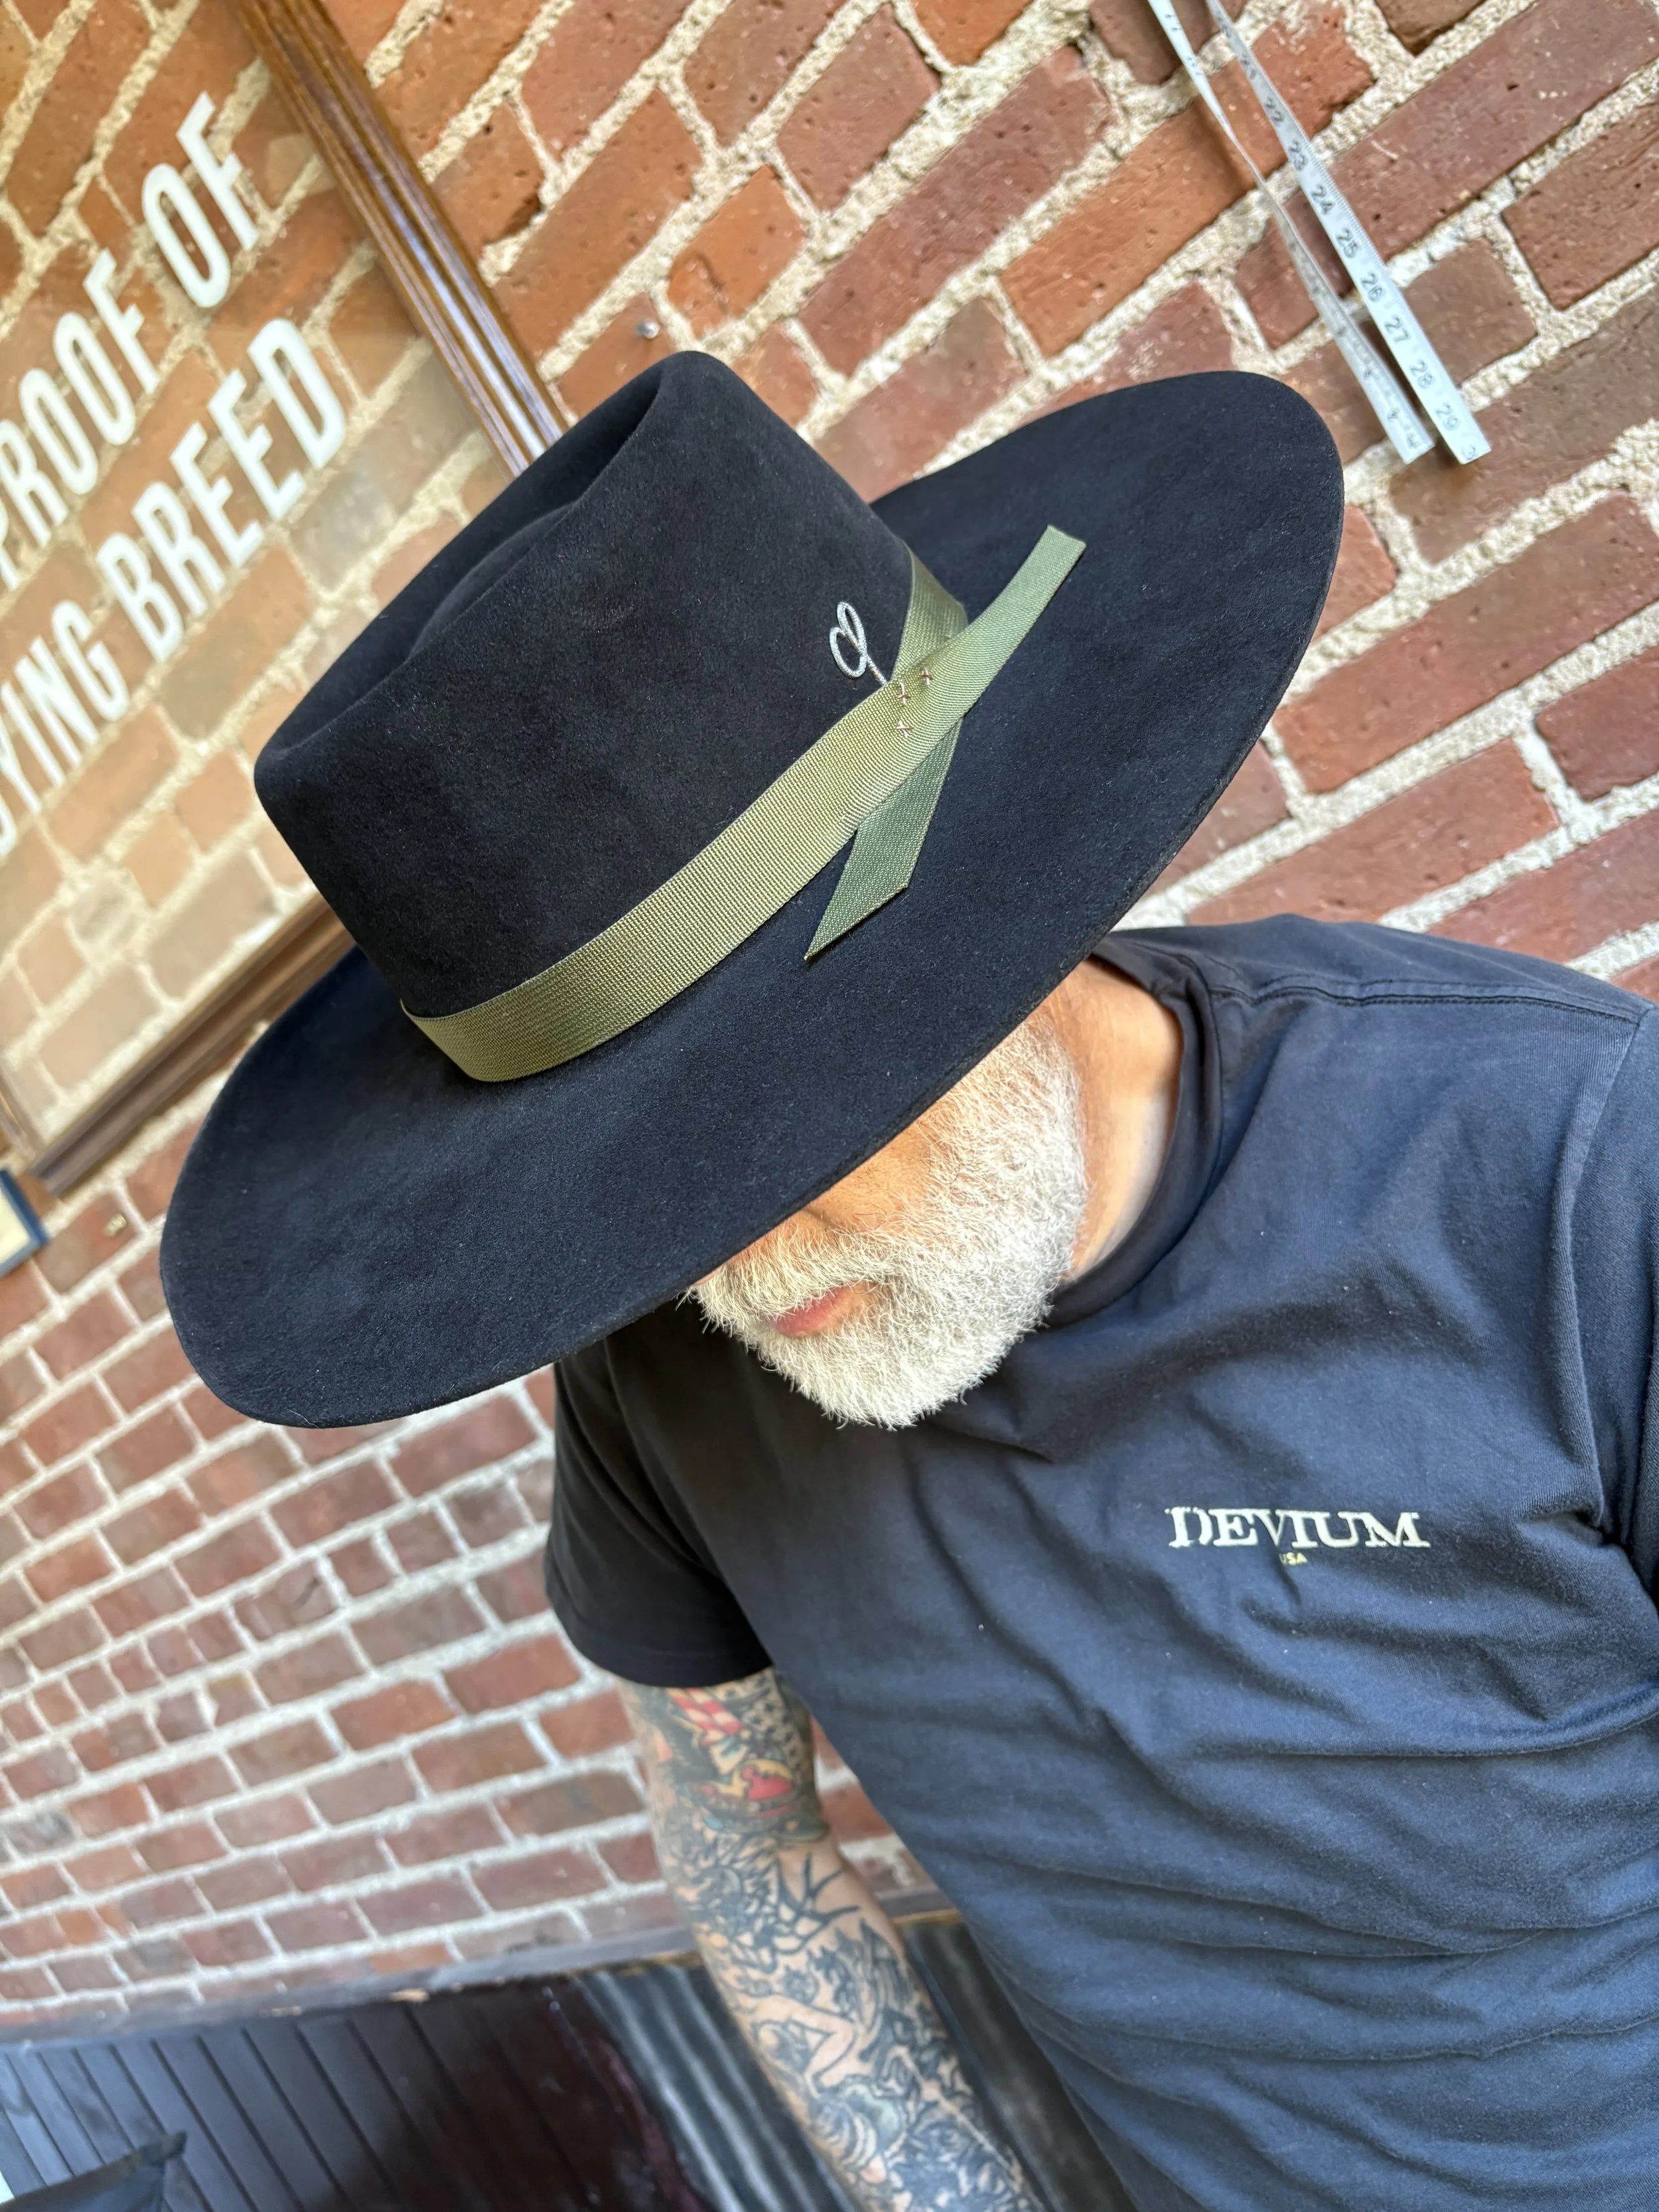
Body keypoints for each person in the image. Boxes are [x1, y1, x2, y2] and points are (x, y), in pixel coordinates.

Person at [163, 356, 1659, 2209]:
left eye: (760, 1143)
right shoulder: (662, 1367)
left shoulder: (1557, 1163)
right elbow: (741, 1830)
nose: (718, 1263)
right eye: (629, 1198)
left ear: (984, 936)